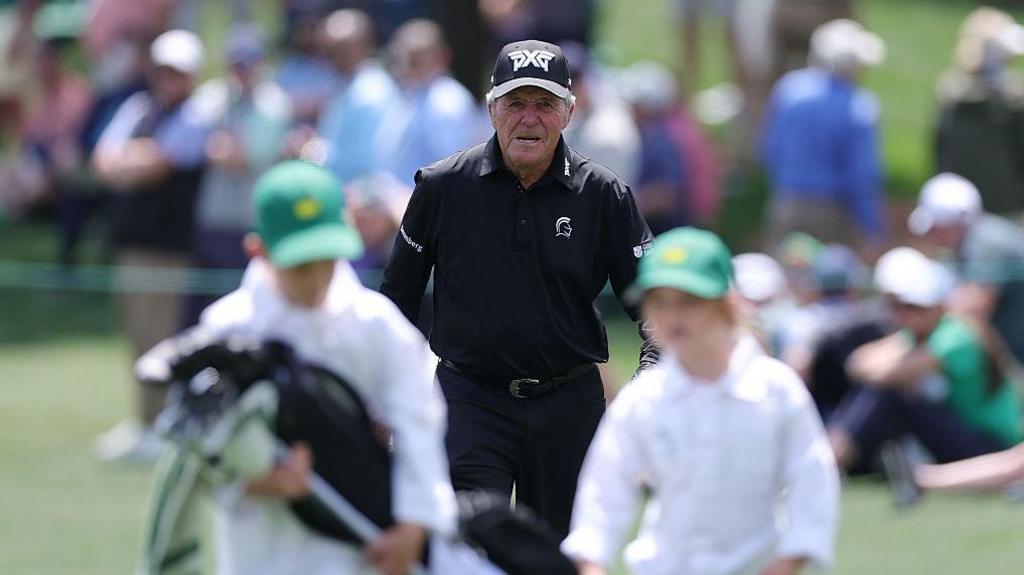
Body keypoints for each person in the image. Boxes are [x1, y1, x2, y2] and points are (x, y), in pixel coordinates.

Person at [379, 39, 658, 538]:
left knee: (562, 555)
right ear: (491, 110)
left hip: (569, 405)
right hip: (468, 400)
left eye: (545, 104)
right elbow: (394, 306)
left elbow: (657, 303)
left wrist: (646, 383)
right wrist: (395, 400)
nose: (529, 119)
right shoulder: (442, 187)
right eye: (515, 103)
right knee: (464, 552)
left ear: (569, 112)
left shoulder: (604, 195)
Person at [177, 159, 456, 575]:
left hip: (358, 549)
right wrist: (254, 480)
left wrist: (414, 526)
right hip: (260, 546)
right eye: (300, 264)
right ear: (259, 250)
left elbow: (420, 423)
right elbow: (195, 446)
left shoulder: (375, 323)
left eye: (327, 258)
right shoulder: (226, 328)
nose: (316, 277)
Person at [562, 227, 840, 575]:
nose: (673, 316)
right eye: (660, 302)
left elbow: (812, 477)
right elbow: (603, 492)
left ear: (727, 304)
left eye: (689, 301)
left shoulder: (775, 390)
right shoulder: (644, 399)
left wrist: (788, 561)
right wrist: (592, 562)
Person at [91, 29, 215, 463]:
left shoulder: (197, 116)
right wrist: (134, 159)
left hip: (170, 247)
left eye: (177, 72)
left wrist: (132, 159)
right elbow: (103, 159)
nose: (168, 78)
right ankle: (143, 422)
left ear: (192, 75)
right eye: (163, 69)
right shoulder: (139, 107)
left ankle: (165, 424)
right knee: (136, 338)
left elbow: (157, 164)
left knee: (162, 340)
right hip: (133, 243)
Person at [827, 247, 1022, 472]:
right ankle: (835, 457)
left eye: (913, 307)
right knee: (890, 391)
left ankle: (832, 460)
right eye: (899, 306)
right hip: (973, 439)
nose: (904, 314)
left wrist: (890, 366)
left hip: (995, 448)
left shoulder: (954, 336)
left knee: (891, 393)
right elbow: (856, 362)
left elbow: (884, 375)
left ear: (936, 305)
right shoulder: (926, 332)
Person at [185, 24, 293, 324]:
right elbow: (194, 141)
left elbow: (241, 156)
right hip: (211, 220)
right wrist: (219, 148)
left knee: (243, 308)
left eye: (248, 63)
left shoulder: (274, 104)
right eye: (236, 64)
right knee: (202, 310)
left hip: (249, 224)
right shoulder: (216, 94)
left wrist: (219, 147)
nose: (242, 71)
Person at [760, 18, 886, 251]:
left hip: (786, 203)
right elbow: (862, 176)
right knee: (828, 283)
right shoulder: (860, 107)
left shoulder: (789, 90)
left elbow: (771, 150)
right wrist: (871, 227)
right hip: (834, 213)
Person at [909, 172, 1024, 369]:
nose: (932, 235)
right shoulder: (960, 249)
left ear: (954, 220)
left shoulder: (987, 241)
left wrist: (917, 314)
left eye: (936, 227)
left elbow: (975, 304)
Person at [934, 7, 1024, 218]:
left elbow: (940, 149)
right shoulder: (1012, 99)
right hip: (1001, 202)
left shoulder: (950, 91)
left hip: (957, 204)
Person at [375, 18, 483, 189]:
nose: (409, 63)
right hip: (401, 199)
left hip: (426, 204)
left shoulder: (448, 102)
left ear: (443, 55)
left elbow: (452, 170)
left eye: (417, 56)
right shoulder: (413, 94)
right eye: (406, 55)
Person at [315, 8, 399, 186]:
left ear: (366, 45)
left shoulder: (372, 91)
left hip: (362, 199)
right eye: (330, 48)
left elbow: (367, 160)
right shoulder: (345, 84)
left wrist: (314, 152)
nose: (335, 55)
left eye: (343, 47)